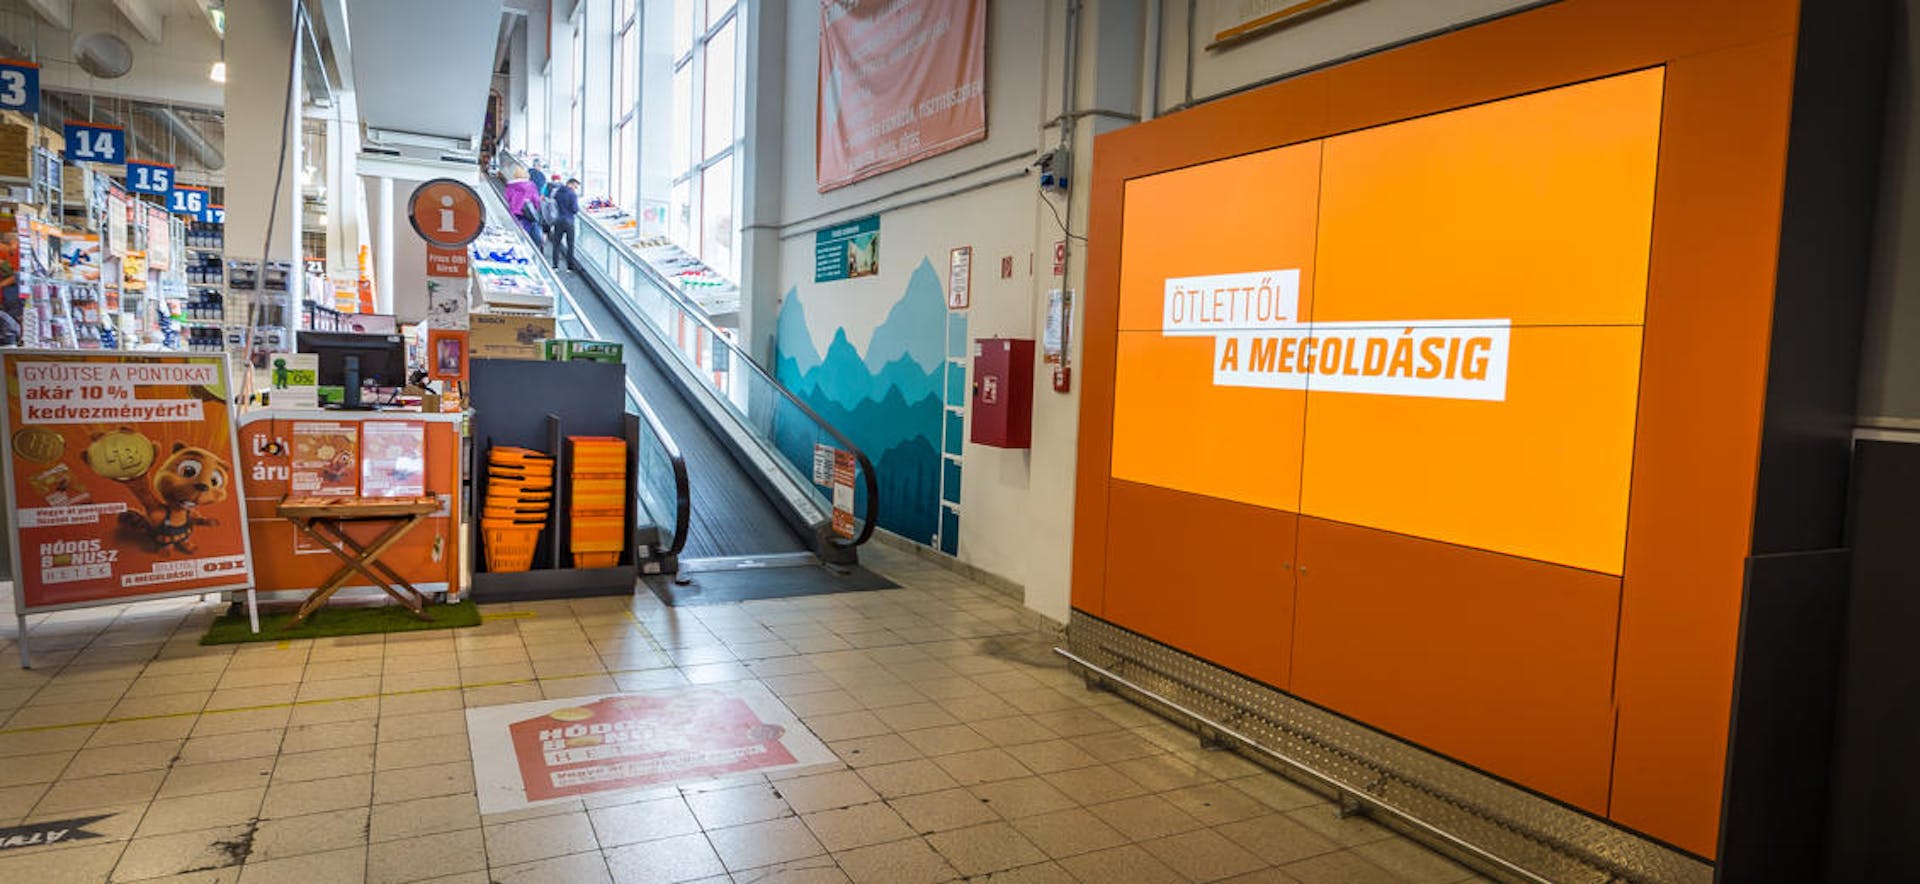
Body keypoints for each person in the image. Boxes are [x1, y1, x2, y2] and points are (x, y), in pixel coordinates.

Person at [504, 169, 544, 249]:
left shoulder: (510, 186)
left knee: (516, 233)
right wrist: (535, 208)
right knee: (527, 235)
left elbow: (507, 198)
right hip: (526, 214)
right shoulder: (531, 186)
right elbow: (536, 201)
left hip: (514, 214)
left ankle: (516, 248)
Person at [550, 178, 581, 271]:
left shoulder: (557, 192)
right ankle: (569, 267)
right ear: (570, 184)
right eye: (575, 186)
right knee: (570, 244)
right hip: (569, 221)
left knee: (556, 244)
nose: (575, 188)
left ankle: (555, 265)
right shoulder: (572, 194)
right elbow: (575, 209)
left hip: (558, 220)